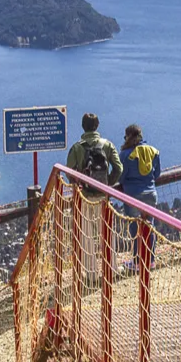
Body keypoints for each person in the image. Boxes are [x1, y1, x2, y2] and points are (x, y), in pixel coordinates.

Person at [66, 113, 123, 280]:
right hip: (103, 197)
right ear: (97, 126)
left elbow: (70, 172)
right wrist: (107, 185)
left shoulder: (77, 147)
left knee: (87, 234)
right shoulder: (107, 145)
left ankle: (91, 274)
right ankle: (111, 268)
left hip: (84, 197)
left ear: (83, 126)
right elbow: (118, 168)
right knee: (107, 231)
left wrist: (80, 186)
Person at [118, 125, 162, 272]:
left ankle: (137, 262)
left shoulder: (125, 155)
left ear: (128, 136)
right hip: (151, 194)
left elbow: (121, 177)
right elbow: (157, 174)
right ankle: (151, 261)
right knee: (150, 227)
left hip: (133, 196)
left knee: (135, 228)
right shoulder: (153, 151)